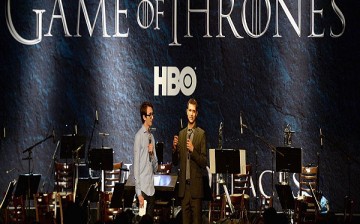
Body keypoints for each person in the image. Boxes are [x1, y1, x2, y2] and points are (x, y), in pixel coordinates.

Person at [172, 98, 207, 224]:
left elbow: (203, 162)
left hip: (196, 190)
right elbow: (175, 162)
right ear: (186, 112)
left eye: (194, 111)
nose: (191, 114)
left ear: (196, 113)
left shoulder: (201, 134)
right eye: (189, 110)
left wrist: (193, 150)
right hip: (184, 190)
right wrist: (174, 149)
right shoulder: (181, 134)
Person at [133, 101, 158, 218]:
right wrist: (139, 194)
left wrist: (152, 154)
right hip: (142, 190)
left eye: (153, 114)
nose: (152, 117)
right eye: (150, 115)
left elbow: (156, 168)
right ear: (144, 117)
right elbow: (136, 167)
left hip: (151, 189)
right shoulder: (138, 137)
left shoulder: (151, 137)